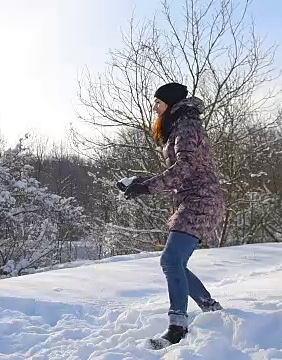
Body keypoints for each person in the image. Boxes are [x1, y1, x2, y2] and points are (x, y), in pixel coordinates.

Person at [118, 82, 225, 346]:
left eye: (158, 102)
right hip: (195, 199)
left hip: (202, 201)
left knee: (170, 260)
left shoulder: (187, 127)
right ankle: (210, 308)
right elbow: (181, 171)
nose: (154, 107)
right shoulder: (181, 126)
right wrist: (139, 182)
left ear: (170, 104)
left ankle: (178, 326)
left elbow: (185, 168)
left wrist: (147, 187)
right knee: (175, 262)